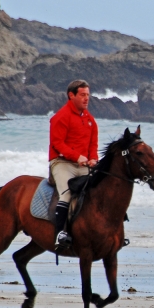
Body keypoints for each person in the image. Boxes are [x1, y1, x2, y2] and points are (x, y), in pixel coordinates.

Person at [49, 79, 98, 249]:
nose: (86, 99)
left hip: (83, 164)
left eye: (88, 95)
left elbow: (93, 145)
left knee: (100, 189)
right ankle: (59, 235)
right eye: (83, 95)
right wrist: (77, 157)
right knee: (67, 193)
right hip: (61, 162)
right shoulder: (60, 117)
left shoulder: (91, 120)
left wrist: (93, 159)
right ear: (72, 96)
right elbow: (57, 144)